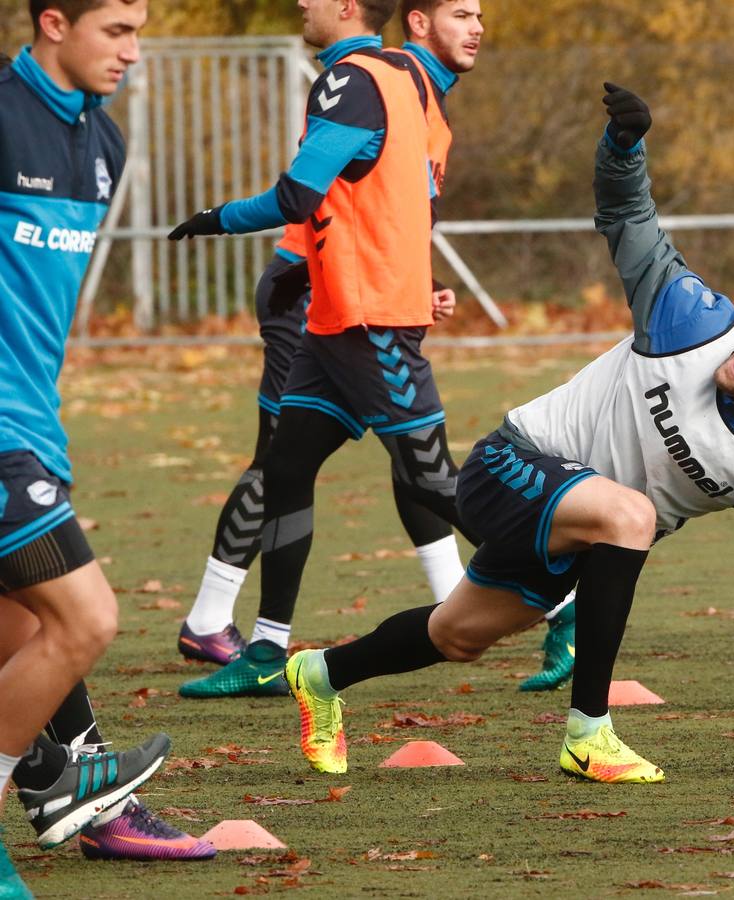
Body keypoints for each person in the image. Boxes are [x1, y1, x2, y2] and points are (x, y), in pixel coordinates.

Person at [280, 83, 734, 806]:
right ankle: (588, 733)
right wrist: (623, 146)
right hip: (513, 464)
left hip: (579, 533)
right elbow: (628, 215)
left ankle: (319, 675)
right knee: (633, 514)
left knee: (458, 636)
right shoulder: (693, 319)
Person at [169, 0, 479, 700]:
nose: (301, 4)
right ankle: (267, 649)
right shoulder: (405, 79)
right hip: (332, 322)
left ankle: (562, 598)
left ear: (345, 5)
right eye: (465, 13)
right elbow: (383, 206)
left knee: (431, 478)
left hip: (370, 324)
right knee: (285, 466)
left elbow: (298, 194)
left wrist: (214, 220)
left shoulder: (355, 78)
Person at [0, 2, 209, 894]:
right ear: (54, 22)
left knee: (24, 636)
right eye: (116, 30)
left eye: (138, 32)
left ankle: (61, 791)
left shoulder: (103, 145)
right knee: (85, 619)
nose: (132, 51)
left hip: (34, 426)